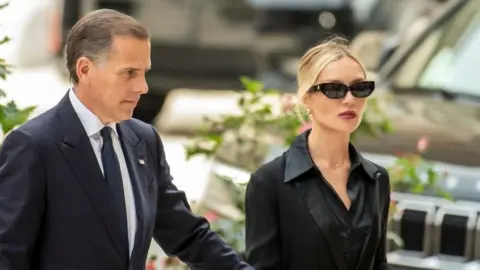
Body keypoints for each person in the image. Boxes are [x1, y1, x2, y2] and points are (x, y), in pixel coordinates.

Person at [0, 9, 252, 270]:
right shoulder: (34, 145)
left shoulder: (143, 140)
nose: (143, 87)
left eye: (144, 72)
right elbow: (7, 254)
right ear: (85, 69)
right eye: (130, 73)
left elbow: (187, 235)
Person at [245, 37, 393, 270]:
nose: (350, 99)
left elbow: (379, 264)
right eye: (334, 89)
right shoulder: (270, 182)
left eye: (359, 88)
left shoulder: (376, 179)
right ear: (306, 98)